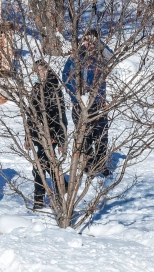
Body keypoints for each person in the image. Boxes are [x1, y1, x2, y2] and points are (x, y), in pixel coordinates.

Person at [61, 30, 110, 177]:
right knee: (85, 137)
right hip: (80, 105)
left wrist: (98, 43)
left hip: (98, 103)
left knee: (101, 136)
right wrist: (76, 98)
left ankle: (101, 164)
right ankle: (88, 166)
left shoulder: (101, 56)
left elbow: (111, 56)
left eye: (92, 41)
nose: (89, 44)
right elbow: (65, 77)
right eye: (87, 41)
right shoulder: (77, 57)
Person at [22, 59, 67, 208]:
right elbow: (30, 114)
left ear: (47, 71)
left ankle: (40, 199)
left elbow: (60, 116)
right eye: (35, 71)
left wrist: (61, 141)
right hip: (37, 134)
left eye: (41, 71)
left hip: (51, 134)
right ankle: (62, 187)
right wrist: (27, 136)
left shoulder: (54, 88)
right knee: (46, 164)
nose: (38, 74)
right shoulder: (35, 88)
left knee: (40, 166)